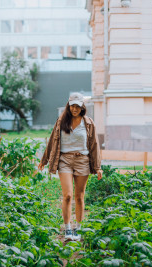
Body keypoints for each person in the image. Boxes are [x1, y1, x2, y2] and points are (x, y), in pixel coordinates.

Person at [38, 93, 103, 241]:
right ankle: (67, 228)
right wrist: (44, 159)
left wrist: (98, 167)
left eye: (77, 106)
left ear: (82, 107)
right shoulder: (61, 121)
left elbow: (94, 146)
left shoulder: (88, 123)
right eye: (72, 105)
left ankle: (77, 229)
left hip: (83, 161)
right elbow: (52, 141)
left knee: (79, 197)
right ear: (68, 105)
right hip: (65, 160)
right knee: (67, 195)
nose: (74, 109)